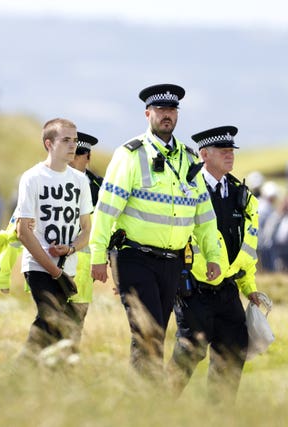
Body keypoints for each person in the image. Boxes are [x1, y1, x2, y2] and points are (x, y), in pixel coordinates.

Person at [89, 84, 221, 381]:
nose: (167, 116)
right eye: (160, 110)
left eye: (172, 110)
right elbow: (106, 209)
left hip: (173, 263)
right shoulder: (130, 155)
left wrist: (212, 254)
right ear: (148, 113)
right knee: (147, 334)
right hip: (134, 257)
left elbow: (204, 215)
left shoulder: (188, 158)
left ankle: (143, 402)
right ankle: (144, 405)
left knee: (157, 334)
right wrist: (97, 255)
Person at [167, 126, 263, 403]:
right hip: (192, 290)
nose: (230, 155)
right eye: (223, 151)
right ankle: (157, 409)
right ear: (204, 154)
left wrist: (249, 287)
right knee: (189, 352)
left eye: (231, 150)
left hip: (227, 290)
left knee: (233, 350)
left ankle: (219, 416)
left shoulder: (239, 194)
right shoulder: (185, 189)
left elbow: (245, 247)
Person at [16, 118, 93, 355]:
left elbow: (87, 230)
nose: (73, 146)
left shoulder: (81, 181)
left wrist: (70, 249)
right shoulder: (32, 177)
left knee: (60, 328)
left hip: (67, 266)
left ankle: (43, 375)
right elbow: (22, 231)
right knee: (50, 317)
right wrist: (53, 270)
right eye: (66, 140)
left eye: (75, 140)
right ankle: (17, 373)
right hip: (39, 266)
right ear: (49, 144)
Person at [65, 131, 104, 353]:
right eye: (69, 151)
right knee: (48, 322)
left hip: (83, 270)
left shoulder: (100, 187)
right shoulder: (51, 179)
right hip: (52, 264)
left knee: (74, 327)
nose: (72, 158)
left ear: (88, 156)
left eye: (78, 153)